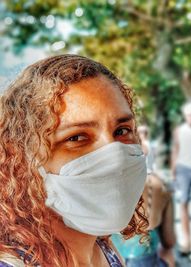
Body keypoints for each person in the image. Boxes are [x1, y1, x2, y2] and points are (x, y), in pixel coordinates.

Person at [0, 54, 148, 267]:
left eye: (122, 130)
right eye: (77, 137)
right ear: (22, 157)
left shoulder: (103, 248)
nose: (115, 156)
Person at [112, 125, 176, 267]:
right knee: (168, 255)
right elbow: (169, 241)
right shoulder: (159, 185)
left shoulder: (97, 188)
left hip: (110, 260)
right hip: (144, 260)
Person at [171, 101, 191, 253]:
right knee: (183, 204)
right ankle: (187, 241)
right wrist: (173, 172)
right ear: (186, 116)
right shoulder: (179, 131)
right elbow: (175, 150)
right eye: (190, 115)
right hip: (184, 170)